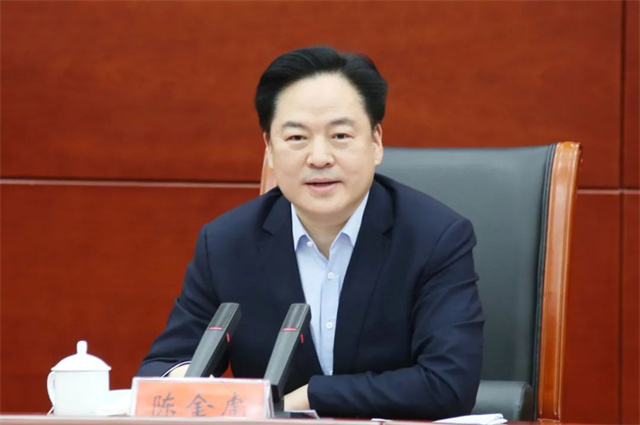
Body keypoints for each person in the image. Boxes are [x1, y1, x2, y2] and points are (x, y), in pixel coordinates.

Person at [137, 45, 484, 419]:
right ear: (269, 149)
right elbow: (161, 369)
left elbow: (448, 384)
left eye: (340, 136)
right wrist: (191, 385)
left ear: (376, 142)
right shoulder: (226, 244)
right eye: (297, 138)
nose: (319, 158)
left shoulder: (434, 238)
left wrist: (307, 397)